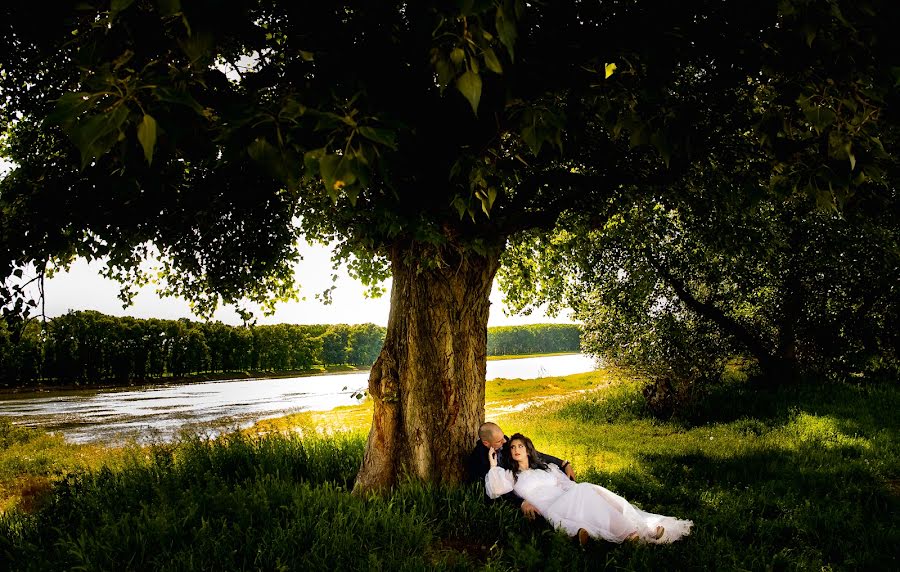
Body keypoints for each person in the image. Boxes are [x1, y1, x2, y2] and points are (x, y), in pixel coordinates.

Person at [485, 433, 693, 544]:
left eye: (520, 446)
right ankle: (630, 533)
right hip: (550, 507)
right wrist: (493, 464)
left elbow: (567, 484)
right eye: (512, 447)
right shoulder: (510, 476)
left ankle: (643, 529)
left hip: (566, 496)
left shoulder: (546, 469)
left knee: (593, 493)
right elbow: (495, 489)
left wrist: (575, 488)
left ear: (529, 450)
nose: (516, 450)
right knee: (585, 492)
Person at [466, 422, 575, 519]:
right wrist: (521, 503)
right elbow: (498, 490)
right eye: (499, 441)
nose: (505, 441)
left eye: (503, 436)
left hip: (530, 479)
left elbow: (534, 454)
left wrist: (563, 463)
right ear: (486, 443)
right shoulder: (480, 461)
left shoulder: (505, 442)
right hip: (518, 486)